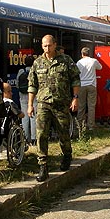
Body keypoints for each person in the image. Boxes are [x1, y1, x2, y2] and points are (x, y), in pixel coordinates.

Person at [28, 34, 81, 182]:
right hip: (43, 103)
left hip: (61, 103)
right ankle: (43, 166)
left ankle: (67, 155)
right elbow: (32, 85)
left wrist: (75, 98)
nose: (47, 48)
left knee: (63, 132)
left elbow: (75, 79)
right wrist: (30, 105)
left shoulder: (66, 60)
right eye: (44, 45)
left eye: (49, 45)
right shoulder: (37, 63)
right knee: (41, 134)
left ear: (55, 45)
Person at [76, 47, 102, 138]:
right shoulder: (93, 61)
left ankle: (80, 125)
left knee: (81, 106)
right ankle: (91, 126)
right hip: (91, 85)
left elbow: (76, 73)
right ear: (89, 53)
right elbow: (100, 67)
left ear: (82, 54)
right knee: (91, 106)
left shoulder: (79, 62)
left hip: (82, 85)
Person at [16, 55, 36, 145]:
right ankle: (34, 138)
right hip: (34, 96)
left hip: (23, 96)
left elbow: (17, 84)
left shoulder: (21, 71)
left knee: (24, 117)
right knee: (33, 117)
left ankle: (25, 138)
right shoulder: (35, 70)